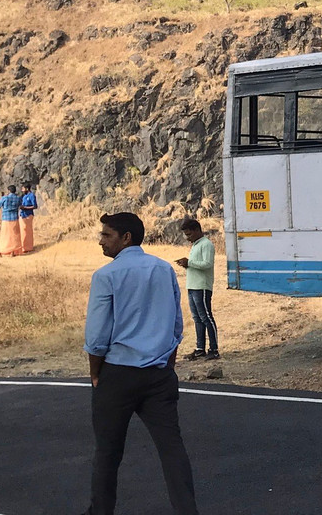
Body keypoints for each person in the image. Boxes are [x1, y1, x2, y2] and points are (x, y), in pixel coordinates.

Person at [82, 212, 199, 515]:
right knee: (172, 448)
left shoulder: (106, 276)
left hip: (118, 373)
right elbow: (176, 324)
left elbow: (97, 336)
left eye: (106, 235)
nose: (101, 241)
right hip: (158, 373)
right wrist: (167, 363)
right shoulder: (163, 269)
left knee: (108, 452)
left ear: (126, 238)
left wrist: (95, 374)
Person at [176, 218, 219, 360]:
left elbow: (207, 264)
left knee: (206, 318)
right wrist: (187, 264)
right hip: (192, 286)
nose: (187, 238)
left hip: (202, 286)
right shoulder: (196, 244)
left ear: (197, 230)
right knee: (197, 318)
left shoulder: (206, 244)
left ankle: (214, 349)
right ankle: (200, 348)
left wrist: (189, 262)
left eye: (189, 234)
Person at [0, 185, 23, 257]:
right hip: (15, 218)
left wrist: (1, 197)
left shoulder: (5, 198)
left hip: (6, 218)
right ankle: (12, 252)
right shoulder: (18, 198)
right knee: (14, 236)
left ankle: (1, 251)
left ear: (8, 190)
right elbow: (20, 205)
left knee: (4, 236)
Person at [19, 183, 38, 254]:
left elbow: (35, 206)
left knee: (28, 231)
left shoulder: (32, 195)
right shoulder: (24, 196)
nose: (22, 190)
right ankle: (23, 246)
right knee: (22, 231)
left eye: (23, 189)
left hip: (28, 215)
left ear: (27, 188)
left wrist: (25, 208)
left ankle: (28, 247)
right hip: (22, 215)